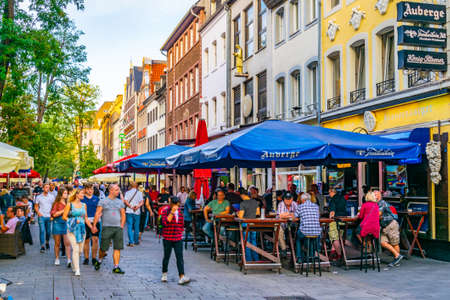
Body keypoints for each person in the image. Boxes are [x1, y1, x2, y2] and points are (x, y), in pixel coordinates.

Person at [93, 184, 126, 274]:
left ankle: (116, 267)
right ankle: (99, 260)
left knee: (117, 248)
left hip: (118, 228)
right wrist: (94, 225)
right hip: (106, 227)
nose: (118, 191)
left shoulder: (120, 202)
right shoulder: (103, 201)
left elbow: (123, 214)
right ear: (111, 190)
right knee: (103, 248)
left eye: (118, 190)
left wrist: (122, 225)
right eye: (116, 190)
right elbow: (97, 213)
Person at [62, 189, 94, 276]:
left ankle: (73, 263)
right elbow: (64, 217)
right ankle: (77, 269)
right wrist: (73, 220)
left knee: (80, 251)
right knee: (75, 249)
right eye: (82, 193)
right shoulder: (70, 205)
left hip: (82, 229)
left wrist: (91, 227)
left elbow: (86, 217)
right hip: (72, 230)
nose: (83, 195)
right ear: (76, 194)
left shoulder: (84, 205)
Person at [160, 196, 190, 285]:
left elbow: (181, 224)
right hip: (167, 238)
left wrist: (180, 232)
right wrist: (172, 212)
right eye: (177, 204)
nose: (178, 206)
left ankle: (181, 276)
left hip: (177, 238)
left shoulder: (180, 213)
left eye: (178, 204)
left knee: (179, 257)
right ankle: (164, 274)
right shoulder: (165, 211)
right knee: (166, 257)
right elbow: (165, 222)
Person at [375, 190, 403, 267]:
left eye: (375, 194)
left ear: (379, 196)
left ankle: (396, 260)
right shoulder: (375, 204)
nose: (373, 196)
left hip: (391, 224)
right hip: (384, 226)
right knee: (382, 242)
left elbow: (378, 214)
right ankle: (397, 256)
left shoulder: (382, 203)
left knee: (394, 243)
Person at [294, 193, 321, 263]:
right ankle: (311, 256)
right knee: (311, 238)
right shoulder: (316, 206)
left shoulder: (300, 206)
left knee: (298, 238)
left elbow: (295, 216)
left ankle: (299, 257)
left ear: (303, 200)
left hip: (305, 231)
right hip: (317, 232)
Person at [50, 187, 71, 267]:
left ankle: (69, 260)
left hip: (66, 223)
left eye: (67, 193)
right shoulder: (57, 203)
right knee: (57, 243)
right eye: (65, 193)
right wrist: (64, 210)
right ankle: (57, 258)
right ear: (61, 194)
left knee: (67, 243)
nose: (66, 194)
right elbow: (54, 214)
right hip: (57, 223)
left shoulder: (68, 203)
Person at [81, 183, 101, 265]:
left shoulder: (96, 199)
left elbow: (100, 210)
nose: (90, 191)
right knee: (86, 240)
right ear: (85, 189)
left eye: (92, 189)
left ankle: (93, 258)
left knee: (95, 239)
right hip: (85, 220)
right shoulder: (82, 199)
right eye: (88, 189)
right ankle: (86, 258)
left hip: (95, 220)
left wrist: (97, 218)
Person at [238, 190, 260, 261]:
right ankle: (256, 259)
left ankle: (248, 259)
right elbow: (258, 213)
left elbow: (241, 217)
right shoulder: (256, 202)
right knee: (253, 241)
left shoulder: (243, 203)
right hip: (253, 223)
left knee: (246, 241)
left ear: (242, 195)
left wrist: (237, 214)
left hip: (245, 224)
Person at [35, 183, 55, 253]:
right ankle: (42, 246)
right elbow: (36, 206)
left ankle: (47, 242)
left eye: (48, 187)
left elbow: (53, 206)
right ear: (43, 188)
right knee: (42, 230)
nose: (47, 189)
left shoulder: (52, 197)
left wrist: (52, 214)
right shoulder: (39, 197)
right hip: (41, 216)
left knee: (48, 231)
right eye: (46, 187)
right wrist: (38, 213)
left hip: (49, 216)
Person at [328, 188, 347, 261]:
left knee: (334, 238)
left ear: (332, 192)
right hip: (343, 220)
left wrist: (330, 219)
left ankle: (340, 255)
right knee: (339, 238)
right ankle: (332, 255)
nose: (329, 194)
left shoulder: (333, 199)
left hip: (335, 220)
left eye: (329, 192)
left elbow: (332, 212)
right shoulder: (342, 198)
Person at [276, 192, 298, 258]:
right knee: (279, 230)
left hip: (292, 225)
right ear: (284, 199)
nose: (288, 201)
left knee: (296, 231)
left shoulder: (294, 203)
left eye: (289, 199)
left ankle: (295, 250)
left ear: (292, 199)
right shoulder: (281, 204)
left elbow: (297, 215)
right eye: (286, 199)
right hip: (282, 224)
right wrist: (291, 214)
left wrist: (286, 215)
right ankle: (283, 249)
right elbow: (280, 215)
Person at [124, 182, 144, 247]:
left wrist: (131, 206)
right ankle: (136, 241)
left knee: (129, 226)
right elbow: (142, 202)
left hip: (129, 211)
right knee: (136, 227)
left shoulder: (127, 193)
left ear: (131, 186)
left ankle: (131, 242)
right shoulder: (139, 193)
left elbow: (125, 201)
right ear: (137, 186)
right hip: (137, 212)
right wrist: (137, 206)